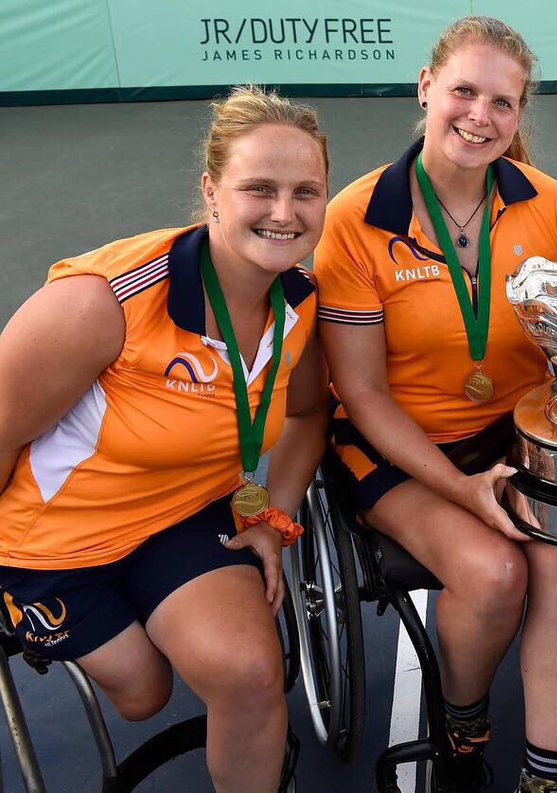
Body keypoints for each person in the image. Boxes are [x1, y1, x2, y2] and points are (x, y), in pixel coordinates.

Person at [0, 85, 329, 792]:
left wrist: (273, 512)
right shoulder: (103, 302)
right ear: (211, 190)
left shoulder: (301, 302)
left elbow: (306, 415)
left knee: (247, 672)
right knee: (144, 691)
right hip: (51, 544)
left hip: (178, 516)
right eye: (259, 188)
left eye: (306, 191)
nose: (284, 212)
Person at [314, 17, 557, 793]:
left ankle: (548, 777)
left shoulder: (551, 206)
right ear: (426, 87)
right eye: (464, 91)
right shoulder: (355, 218)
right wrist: (460, 486)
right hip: (398, 443)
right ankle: (465, 724)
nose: (481, 115)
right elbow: (362, 393)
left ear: (520, 113)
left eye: (503, 102)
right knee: (495, 573)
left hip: (516, 433)